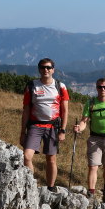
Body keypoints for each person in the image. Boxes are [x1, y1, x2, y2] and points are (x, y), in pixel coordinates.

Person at [20, 58, 69, 192]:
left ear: (53, 69)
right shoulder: (31, 86)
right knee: (26, 156)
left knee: (51, 159)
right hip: (35, 126)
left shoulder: (60, 86)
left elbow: (65, 110)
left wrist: (63, 130)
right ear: (39, 69)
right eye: (42, 67)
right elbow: (26, 110)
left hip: (53, 127)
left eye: (48, 67)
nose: (45, 70)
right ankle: (31, 185)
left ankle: (51, 187)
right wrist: (22, 132)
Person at [73, 78, 105, 203]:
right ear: (96, 88)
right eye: (100, 87)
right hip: (94, 138)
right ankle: (91, 193)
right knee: (93, 166)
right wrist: (79, 128)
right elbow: (84, 120)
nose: (103, 89)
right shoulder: (90, 103)